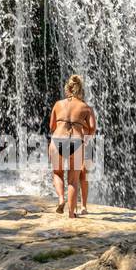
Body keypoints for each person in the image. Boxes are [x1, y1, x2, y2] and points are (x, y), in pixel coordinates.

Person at [48, 75, 95, 219]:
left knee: (57, 173)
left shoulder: (58, 104)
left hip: (58, 139)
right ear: (80, 89)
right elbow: (92, 128)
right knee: (74, 180)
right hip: (76, 140)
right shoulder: (85, 107)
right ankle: (71, 214)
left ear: (68, 89)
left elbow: (51, 126)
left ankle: (61, 198)